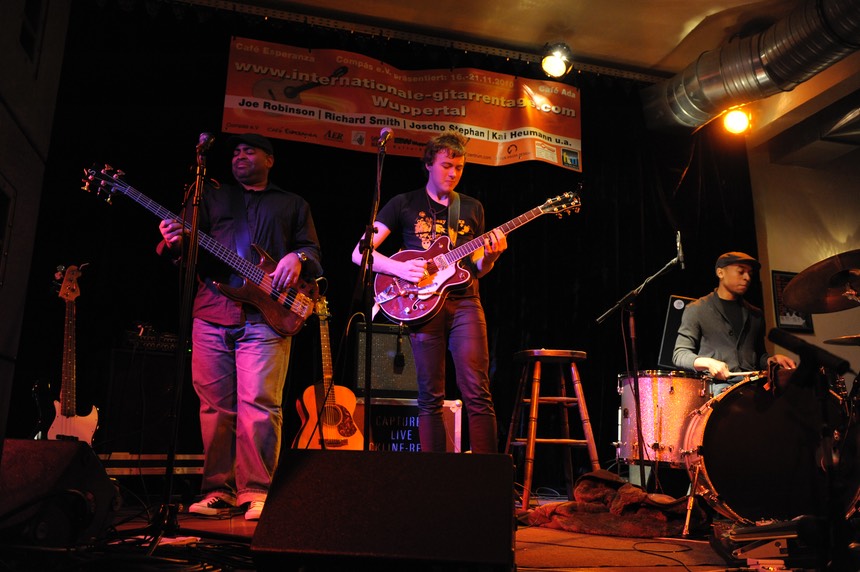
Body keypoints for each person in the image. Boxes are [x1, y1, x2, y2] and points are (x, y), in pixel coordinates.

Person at [157, 133, 322, 520]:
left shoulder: (293, 203)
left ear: (270, 160)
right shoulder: (210, 196)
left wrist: (298, 257)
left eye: (249, 150)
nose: (239, 156)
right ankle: (218, 490)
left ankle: (256, 491)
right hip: (212, 311)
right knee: (215, 407)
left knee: (260, 405)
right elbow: (182, 249)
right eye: (235, 151)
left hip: (266, 316)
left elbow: (313, 252)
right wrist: (173, 242)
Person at [351, 130, 504, 454]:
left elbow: (477, 268)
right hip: (421, 304)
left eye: (459, 167)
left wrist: (490, 255)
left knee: (477, 390)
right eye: (447, 165)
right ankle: (431, 477)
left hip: (465, 302)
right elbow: (359, 253)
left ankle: (488, 476)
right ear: (429, 165)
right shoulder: (403, 203)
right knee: (429, 395)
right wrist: (398, 268)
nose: (453, 173)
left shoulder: (472, 207)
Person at [673, 251, 796, 388]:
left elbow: (759, 355)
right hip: (717, 389)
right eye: (741, 272)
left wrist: (771, 360)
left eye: (750, 273)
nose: (747, 277)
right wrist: (708, 363)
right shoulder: (697, 309)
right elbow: (680, 354)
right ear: (720, 273)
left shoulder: (755, 314)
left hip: (752, 388)